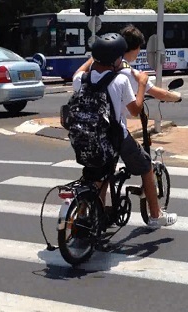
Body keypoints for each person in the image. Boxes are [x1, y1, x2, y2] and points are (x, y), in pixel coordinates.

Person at [72, 32, 177, 228]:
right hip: (115, 137)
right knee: (146, 166)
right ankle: (156, 215)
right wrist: (142, 84)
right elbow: (135, 110)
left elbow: (78, 71)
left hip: (88, 138)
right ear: (116, 58)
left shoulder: (81, 79)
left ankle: (95, 218)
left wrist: (93, 58)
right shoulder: (120, 80)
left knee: (99, 176)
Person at [75, 24, 182, 103]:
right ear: (135, 48)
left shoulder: (93, 71)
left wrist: (97, 55)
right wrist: (177, 97)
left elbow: (77, 74)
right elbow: (160, 95)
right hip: (114, 129)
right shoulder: (129, 74)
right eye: (139, 47)